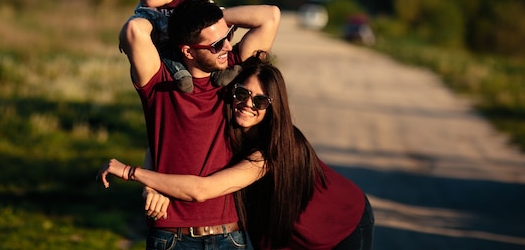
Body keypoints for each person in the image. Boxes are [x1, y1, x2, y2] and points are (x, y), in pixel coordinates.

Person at [99, 51, 374, 250]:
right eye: (242, 93)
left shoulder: (271, 150)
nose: (248, 104)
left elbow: (201, 190)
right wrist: (153, 188)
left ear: (273, 107)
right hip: (288, 228)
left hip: (342, 222)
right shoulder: (226, 122)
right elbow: (162, 144)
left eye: (261, 101)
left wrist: (131, 172)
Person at [117, 0, 281, 249]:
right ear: (188, 50)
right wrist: (170, 18)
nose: (227, 45)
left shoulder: (235, 75)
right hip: (172, 236)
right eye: (216, 44)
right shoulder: (158, 82)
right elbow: (134, 30)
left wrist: (215, 16)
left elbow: (270, 16)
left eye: (227, 36)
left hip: (231, 236)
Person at [127, 0, 241, 93]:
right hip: (167, 45)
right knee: (168, 55)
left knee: (209, 50)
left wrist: (219, 16)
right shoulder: (147, 10)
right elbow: (135, 22)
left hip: (194, 42)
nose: (142, 1)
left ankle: (220, 73)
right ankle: (182, 77)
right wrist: (125, 37)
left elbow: (207, 7)